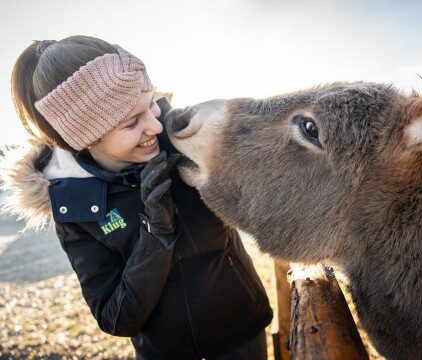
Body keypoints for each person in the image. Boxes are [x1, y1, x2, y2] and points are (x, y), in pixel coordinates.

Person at [2, 35, 273, 360]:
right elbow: (115, 318)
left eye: (150, 104)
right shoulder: (74, 206)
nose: (155, 126)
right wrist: (155, 235)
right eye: (132, 122)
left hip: (242, 332)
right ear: (84, 138)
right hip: (166, 353)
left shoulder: (185, 138)